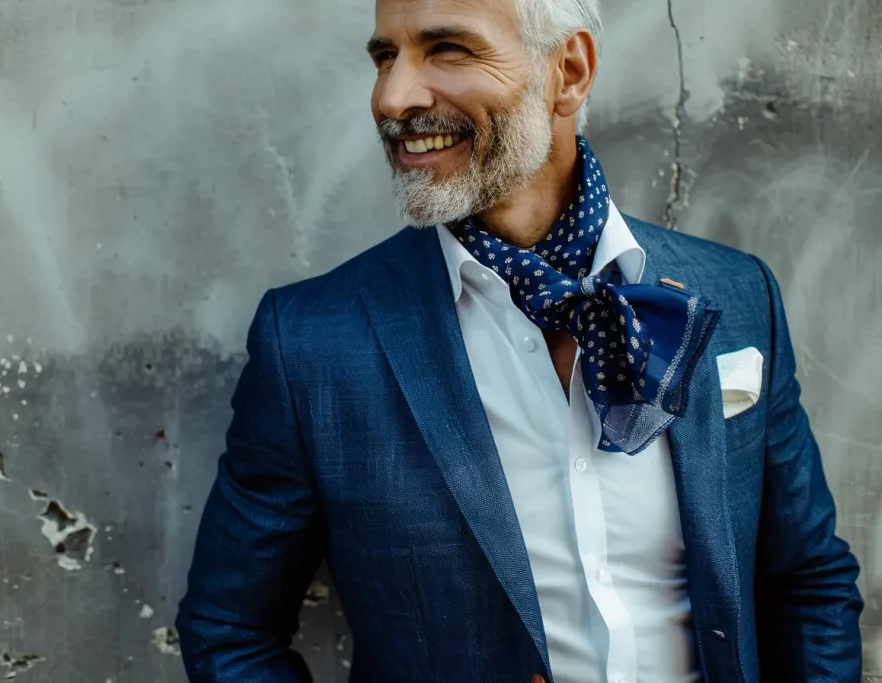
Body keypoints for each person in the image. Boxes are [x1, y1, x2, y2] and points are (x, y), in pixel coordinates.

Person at [175, 0, 864, 680]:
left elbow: (809, 582)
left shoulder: (741, 296)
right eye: (386, 56)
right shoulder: (310, 344)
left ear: (568, 71)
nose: (392, 96)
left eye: (447, 49)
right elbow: (230, 630)